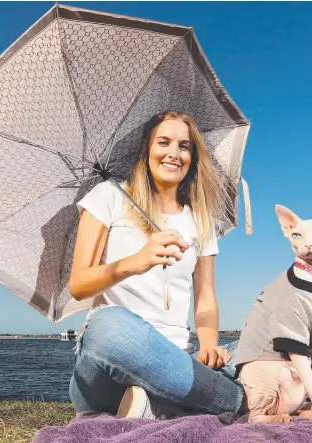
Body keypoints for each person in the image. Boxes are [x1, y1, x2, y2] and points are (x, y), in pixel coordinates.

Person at [68, 111, 245, 419]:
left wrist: (209, 346)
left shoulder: (199, 219)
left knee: (265, 339)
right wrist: (136, 262)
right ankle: (240, 400)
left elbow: (205, 298)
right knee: (107, 327)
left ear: (193, 156)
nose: (173, 154)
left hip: (181, 355)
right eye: (163, 142)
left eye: (184, 146)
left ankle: (158, 404)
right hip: (112, 367)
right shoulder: (108, 197)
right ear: (146, 150)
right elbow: (79, 285)